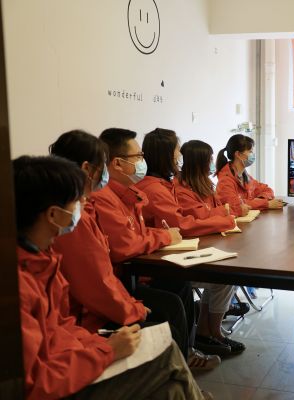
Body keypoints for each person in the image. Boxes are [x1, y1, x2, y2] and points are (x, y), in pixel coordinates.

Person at [13, 155, 206, 400]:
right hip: (59, 380)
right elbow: (36, 383)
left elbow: (61, 328)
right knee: (167, 353)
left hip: (73, 358)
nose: (83, 205)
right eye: (77, 201)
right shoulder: (21, 284)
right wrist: (107, 351)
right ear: (53, 215)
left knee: (172, 388)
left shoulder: (42, 260)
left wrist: (100, 346)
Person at [48, 130, 220, 370]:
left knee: (176, 293)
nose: (142, 160)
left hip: (104, 298)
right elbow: (103, 274)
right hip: (89, 314)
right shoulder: (78, 215)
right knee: (169, 309)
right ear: (88, 168)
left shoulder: (108, 199)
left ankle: (184, 364)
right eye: (138, 156)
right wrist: (132, 309)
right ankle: (180, 368)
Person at [93, 128, 208, 367]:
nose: (142, 161)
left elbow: (139, 233)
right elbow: (125, 245)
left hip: (130, 277)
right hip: (126, 281)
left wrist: (161, 235)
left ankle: (188, 354)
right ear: (117, 163)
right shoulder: (105, 198)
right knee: (172, 301)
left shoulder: (129, 192)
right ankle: (182, 362)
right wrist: (165, 236)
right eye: (138, 156)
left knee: (180, 287)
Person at [136, 131, 246, 356]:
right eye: (177, 151)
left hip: (171, 254)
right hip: (162, 265)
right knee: (224, 275)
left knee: (223, 275)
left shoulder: (167, 184)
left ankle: (206, 331)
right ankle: (205, 334)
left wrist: (218, 214)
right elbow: (184, 224)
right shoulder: (159, 188)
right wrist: (223, 219)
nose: (180, 156)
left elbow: (206, 211)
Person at [215, 134, 282, 217]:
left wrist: (259, 200)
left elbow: (267, 190)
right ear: (238, 154)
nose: (252, 154)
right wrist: (265, 204)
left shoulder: (245, 176)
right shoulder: (225, 181)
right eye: (250, 151)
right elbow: (237, 206)